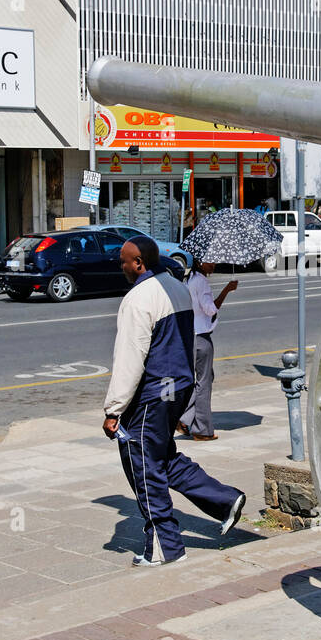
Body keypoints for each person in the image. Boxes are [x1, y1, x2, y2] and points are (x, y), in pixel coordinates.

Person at [103, 236, 246, 566]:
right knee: (162, 457)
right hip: (179, 387)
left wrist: (114, 410)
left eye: (124, 260)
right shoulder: (177, 287)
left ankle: (165, 545)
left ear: (139, 263)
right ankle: (224, 501)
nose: (120, 265)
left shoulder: (138, 299)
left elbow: (130, 358)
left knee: (143, 465)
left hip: (152, 393)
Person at [177, 260, 237, 441]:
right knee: (204, 382)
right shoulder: (201, 281)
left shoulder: (190, 278)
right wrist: (227, 290)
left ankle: (185, 419)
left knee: (202, 378)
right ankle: (201, 429)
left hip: (189, 335)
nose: (214, 264)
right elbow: (210, 309)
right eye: (211, 261)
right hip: (201, 337)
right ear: (200, 262)